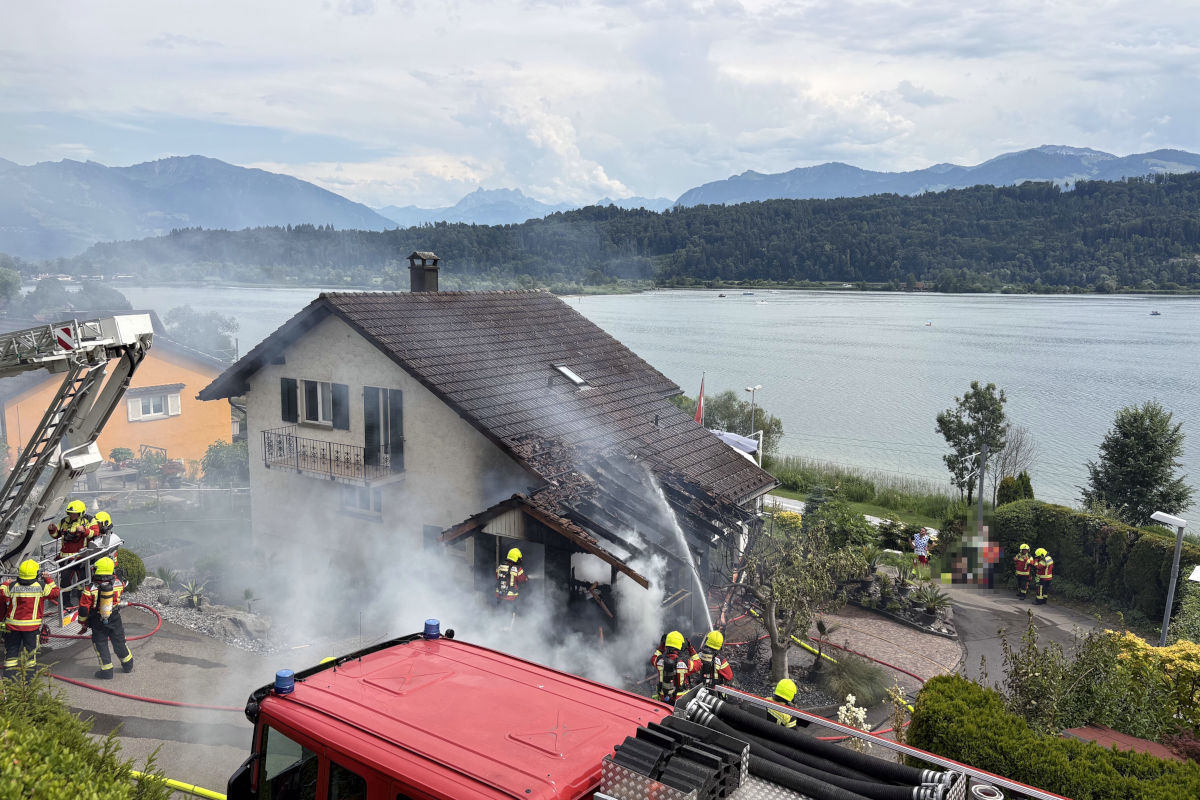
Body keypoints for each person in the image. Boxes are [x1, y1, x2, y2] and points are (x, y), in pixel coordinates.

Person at [1, 560, 59, 681]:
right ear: (36, 573)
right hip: (31, 629)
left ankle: (8, 682)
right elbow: (55, 593)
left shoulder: (12, 586)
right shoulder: (41, 587)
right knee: (30, 656)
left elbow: (2, 593)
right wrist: (48, 579)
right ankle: (28, 682)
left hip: (12, 627)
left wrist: (5, 583)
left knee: (11, 654)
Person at [78, 556, 133, 679]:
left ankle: (107, 671)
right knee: (119, 641)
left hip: (97, 620)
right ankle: (128, 664)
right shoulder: (119, 583)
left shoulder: (90, 588)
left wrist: (83, 623)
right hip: (115, 617)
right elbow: (122, 589)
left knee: (101, 644)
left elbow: (83, 609)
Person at [48, 499, 99, 607]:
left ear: (81, 513)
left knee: (83, 581)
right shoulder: (64, 521)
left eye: (75, 513)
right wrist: (52, 530)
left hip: (82, 557)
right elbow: (56, 535)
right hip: (65, 558)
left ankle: (83, 602)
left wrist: (84, 530)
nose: (72, 515)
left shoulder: (89, 520)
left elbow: (95, 533)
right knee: (65, 582)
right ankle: (66, 604)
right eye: (70, 513)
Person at [651, 630, 691, 704]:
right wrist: (690, 647)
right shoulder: (686, 663)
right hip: (680, 700)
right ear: (681, 645)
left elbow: (654, 658)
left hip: (663, 698)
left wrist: (662, 645)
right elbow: (699, 664)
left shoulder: (659, 660)